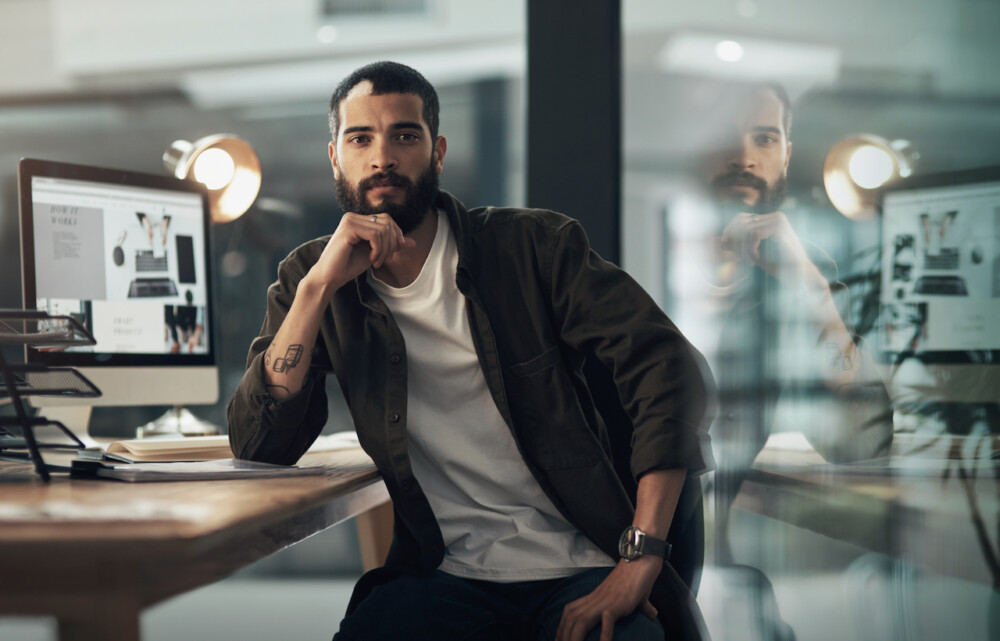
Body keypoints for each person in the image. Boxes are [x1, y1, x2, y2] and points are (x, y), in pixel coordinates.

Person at [227, 61, 713, 641]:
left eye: (405, 135)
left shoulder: (533, 248)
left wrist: (642, 557)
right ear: (335, 156)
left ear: (437, 152)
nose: (382, 157)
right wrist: (315, 292)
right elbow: (259, 446)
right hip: (441, 576)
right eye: (360, 138)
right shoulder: (312, 278)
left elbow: (669, 368)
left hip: (584, 566)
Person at [696, 82, 894, 565]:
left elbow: (865, 444)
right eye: (729, 136)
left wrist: (811, 290)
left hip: (746, 559)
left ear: (785, 156)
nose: (745, 157)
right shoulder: (632, 264)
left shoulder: (809, 280)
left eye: (764, 139)